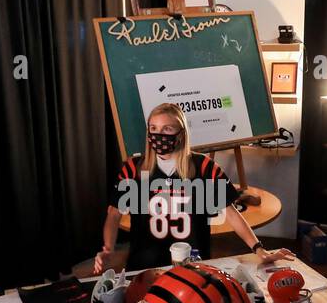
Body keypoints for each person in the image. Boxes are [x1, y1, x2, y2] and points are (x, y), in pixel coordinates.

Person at [93, 104, 294, 274]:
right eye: (153, 128)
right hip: (144, 266)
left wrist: (259, 249)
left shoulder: (204, 167)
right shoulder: (134, 168)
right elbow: (114, 213)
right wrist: (108, 249)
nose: (158, 135)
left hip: (193, 266)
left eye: (167, 129)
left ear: (181, 133)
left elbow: (231, 214)